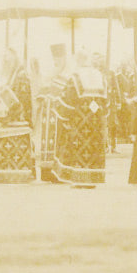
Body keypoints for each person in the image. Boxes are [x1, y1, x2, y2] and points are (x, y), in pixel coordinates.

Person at [53, 50, 107, 186]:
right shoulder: (100, 76)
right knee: (93, 147)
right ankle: (93, 178)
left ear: (78, 61)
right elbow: (107, 104)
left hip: (79, 122)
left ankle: (80, 179)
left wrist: (63, 117)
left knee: (80, 147)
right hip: (97, 121)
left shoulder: (75, 77)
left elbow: (67, 101)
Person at [38, 43, 70, 182]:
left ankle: (58, 173)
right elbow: (41, 92)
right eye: (55, 58)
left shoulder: (66, 75)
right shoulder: (50, 73)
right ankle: (46, 173)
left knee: (59, 142)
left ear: (64, 58)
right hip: (47, 114)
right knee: (46, 142)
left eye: (59, 58)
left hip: (59, 115)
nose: (56, 61)